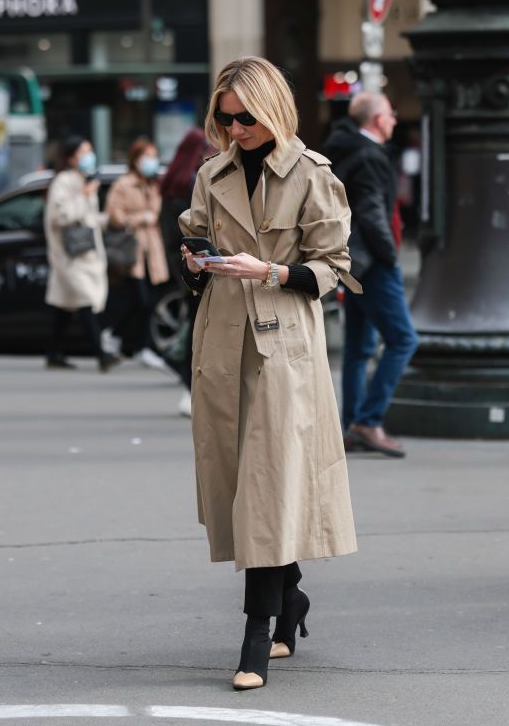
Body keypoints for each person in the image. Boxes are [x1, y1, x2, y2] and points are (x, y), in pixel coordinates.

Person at [178, 56, 361, 690]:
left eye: (247, 118)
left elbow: (334, 268)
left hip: (284, 346)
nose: (236, 130)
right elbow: (195, 241)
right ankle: (291, 602)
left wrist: (273, 272)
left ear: (273, 110)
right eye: (225, 120)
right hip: (222, 340)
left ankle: (256, 636)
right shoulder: (212, 174)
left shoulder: (312, 175)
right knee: (241, 482)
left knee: (268, 483)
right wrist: (196, 261)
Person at [322, 91, 418, 458]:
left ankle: (352, 426)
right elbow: (372, 213)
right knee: (403, 340)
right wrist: (390, 257)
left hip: (352, 261)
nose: (394, 120)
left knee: (359, 347)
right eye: (391, 114)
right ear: (378, 119)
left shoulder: (345, 149)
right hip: (372, 261)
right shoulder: (368, 156)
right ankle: (369, 421)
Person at [43, 135, 119, 372]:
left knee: (65, 305)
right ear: (71, 157)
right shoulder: (64, 182)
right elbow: (61, 216)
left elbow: (89, 218)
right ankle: (101, 354)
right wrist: (84, 195)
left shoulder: (85, 180)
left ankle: (53, 352)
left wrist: (108, 221)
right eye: (84, 152)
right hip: (70, 254)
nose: (89, 156)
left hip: (86, 252)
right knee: (85, 299)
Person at [160, 128, 214, 417]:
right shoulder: (193, 183)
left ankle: (182, 369)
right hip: (193, 260)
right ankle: (186, 375)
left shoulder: (172, 182)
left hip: (178, 259)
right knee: (197, 324)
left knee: (193, 321)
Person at [103, 137, 170, 370]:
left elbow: (156, 212)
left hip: (152, 248)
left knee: (149, 300)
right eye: (146, 156)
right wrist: (140, 218)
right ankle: (124, 338)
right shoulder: (123, 184)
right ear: (135, 159)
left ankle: (133, 343)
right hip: (132, 247)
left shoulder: (153, 184)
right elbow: (114, 215)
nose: (151, 161)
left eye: (153, 156)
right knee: (141, 299)